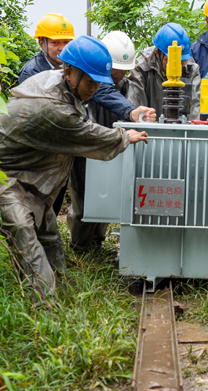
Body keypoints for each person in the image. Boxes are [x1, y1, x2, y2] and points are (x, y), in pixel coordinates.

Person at [0, 36, 149, 297]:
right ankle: (44, 309)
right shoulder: (51, 106)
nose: (95, 88)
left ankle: (62, 292)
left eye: (99, 83)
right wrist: (124, 136)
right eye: (90, 82)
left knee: (50, 238)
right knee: (27, 242)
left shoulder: (61, 83)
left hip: (34, 173)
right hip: (5, 175)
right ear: (70, 71)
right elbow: (84, 135)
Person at [67, 30, 138, 252]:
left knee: (106, 194)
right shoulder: (94, 82)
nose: (119, 73)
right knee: (83, 198)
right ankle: (80, 247)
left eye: (124, 69)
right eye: (116, 68)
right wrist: (132, 112)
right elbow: (105, 94)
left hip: (110, 143)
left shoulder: (123, 83)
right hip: (87, 146)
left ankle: (97, 242)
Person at [127, 22, 202, 121]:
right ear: (158, 53)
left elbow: (195, 110)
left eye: (182, 61)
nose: (177, 66)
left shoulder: (191, 69)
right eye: (169, 60)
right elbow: (134, 108)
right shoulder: (141, 68)